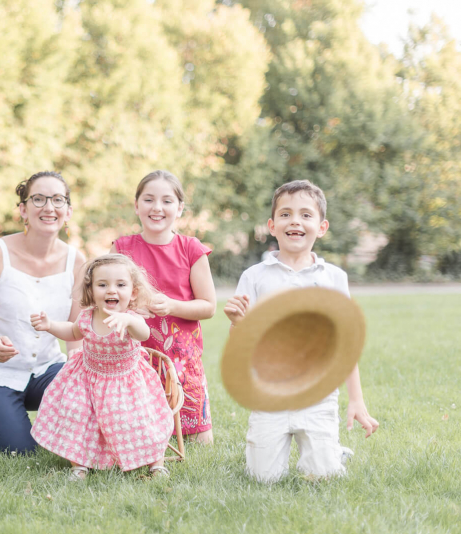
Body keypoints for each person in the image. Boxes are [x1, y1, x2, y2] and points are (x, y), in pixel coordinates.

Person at [224, 180, 379, 483]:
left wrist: (357, 400)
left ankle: (332, 452)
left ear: (321, 227)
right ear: (272, 225)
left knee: (323, 476)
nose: (295, 220)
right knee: (262, 479)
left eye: (306, 215)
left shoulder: (333, 278)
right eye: (286, 214)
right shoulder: (254, 277)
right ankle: (268, 453)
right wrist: (237, 323)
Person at [0, 171, 85, 454]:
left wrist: (79, 383)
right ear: (23, 210)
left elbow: (76, 332)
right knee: (21, 452)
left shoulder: (77, 262)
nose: (49, 207)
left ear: (68, 211)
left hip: (48, 372)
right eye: (38, 199)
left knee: (76, 431)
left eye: (57, 200)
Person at [29, 254, 174, 480]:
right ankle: (79, 464)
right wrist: (50, 326)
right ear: (92, 290)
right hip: (88, 379)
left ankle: (156, 463)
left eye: (120, 285)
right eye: (102, 284)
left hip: (126, 383)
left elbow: (143, 332)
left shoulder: (131, 318)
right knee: (75, 413)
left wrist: (129, 321)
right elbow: (72, 332)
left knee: (140, 420)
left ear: (133, 292)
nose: (111, 290)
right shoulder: (87, 317)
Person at [112, 170, 217, 444]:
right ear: (137, 206)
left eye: (167, 201)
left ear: (179, 208)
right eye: (148, 200)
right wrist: (131, 305)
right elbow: (107, 298)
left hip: (181, 354)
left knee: (199, 440)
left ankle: (188, 429)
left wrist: (171, 305)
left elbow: (208, 306)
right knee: (136, 432)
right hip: (135, 349)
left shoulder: (191, 249)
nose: (157, 208)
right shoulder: (122, 248)